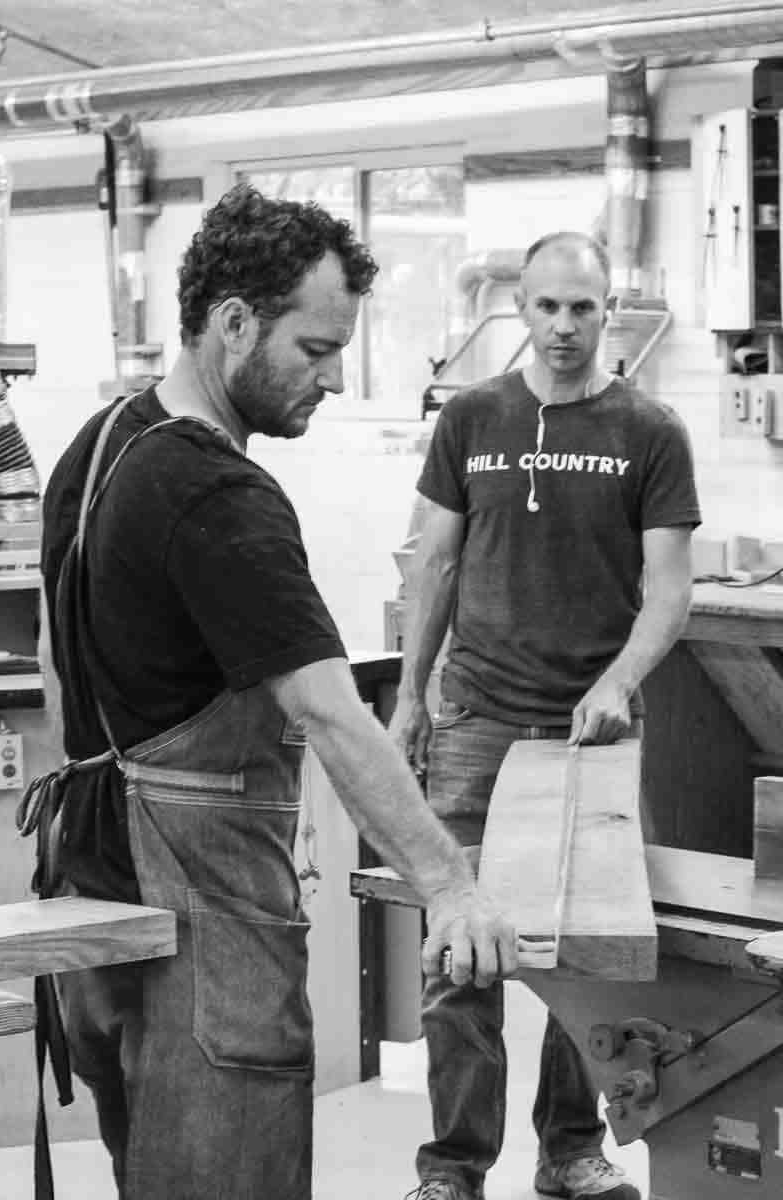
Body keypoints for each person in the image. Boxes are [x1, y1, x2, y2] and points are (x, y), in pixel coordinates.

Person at [37, 185, 520, 1200]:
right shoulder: (218, 492)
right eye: (314, 349)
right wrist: (448, 883)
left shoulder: (96, 444)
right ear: (232, 324)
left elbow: (52, 661)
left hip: (95, 878)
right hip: (202, 918)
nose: (333, 378)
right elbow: (328, 711)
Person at [389, 231, 701, 1200]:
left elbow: (668, 590)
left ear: (609, 310)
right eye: (546, 307)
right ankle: (452, 1165)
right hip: (475, 722)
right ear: (517, 308)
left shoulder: (649, 431)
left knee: (583, 967)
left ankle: (569, 1150)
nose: (563, 327)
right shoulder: (471, 419)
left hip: (590, 737)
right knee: (459, 964)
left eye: (582, 307)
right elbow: (431, 564)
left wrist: (616, 681)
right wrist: (407, 696)